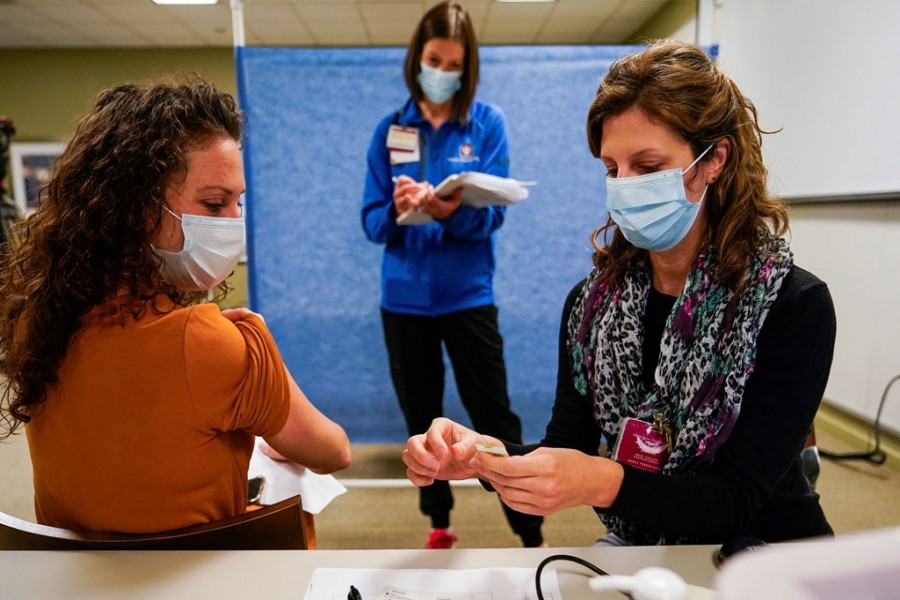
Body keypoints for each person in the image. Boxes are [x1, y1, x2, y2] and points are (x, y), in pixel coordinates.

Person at [402, 40, 836, 546]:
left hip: (766, 551)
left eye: (648, 167)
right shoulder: (591, 307)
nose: (624, 187)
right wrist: (481, 454)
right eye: (612, 169)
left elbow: (733, 501)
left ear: (715, 159)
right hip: (644, 547)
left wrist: (600, 479)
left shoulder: (790, 305)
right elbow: (567, 446)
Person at [0, 78, 351, 534]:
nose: (232, 224)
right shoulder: (217, 345)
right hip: (202, 577)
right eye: (214, 203)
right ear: (136, 208)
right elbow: (333, 452)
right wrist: (260, 350)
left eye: (238, 203)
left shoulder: (39, 317)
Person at [361, 1, 544, 549]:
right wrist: (400, 208)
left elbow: (494, 213)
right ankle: (438, 524)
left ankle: (530, 532)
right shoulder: (390, 129)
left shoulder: (486, 123)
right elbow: (370, 222)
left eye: (452, 63)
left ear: (468, 68)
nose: (440, 72)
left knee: (495, 416)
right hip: (405, 303)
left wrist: (450, 210)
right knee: (421, 421)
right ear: (417, 58)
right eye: (433, 59)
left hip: (469, 297)